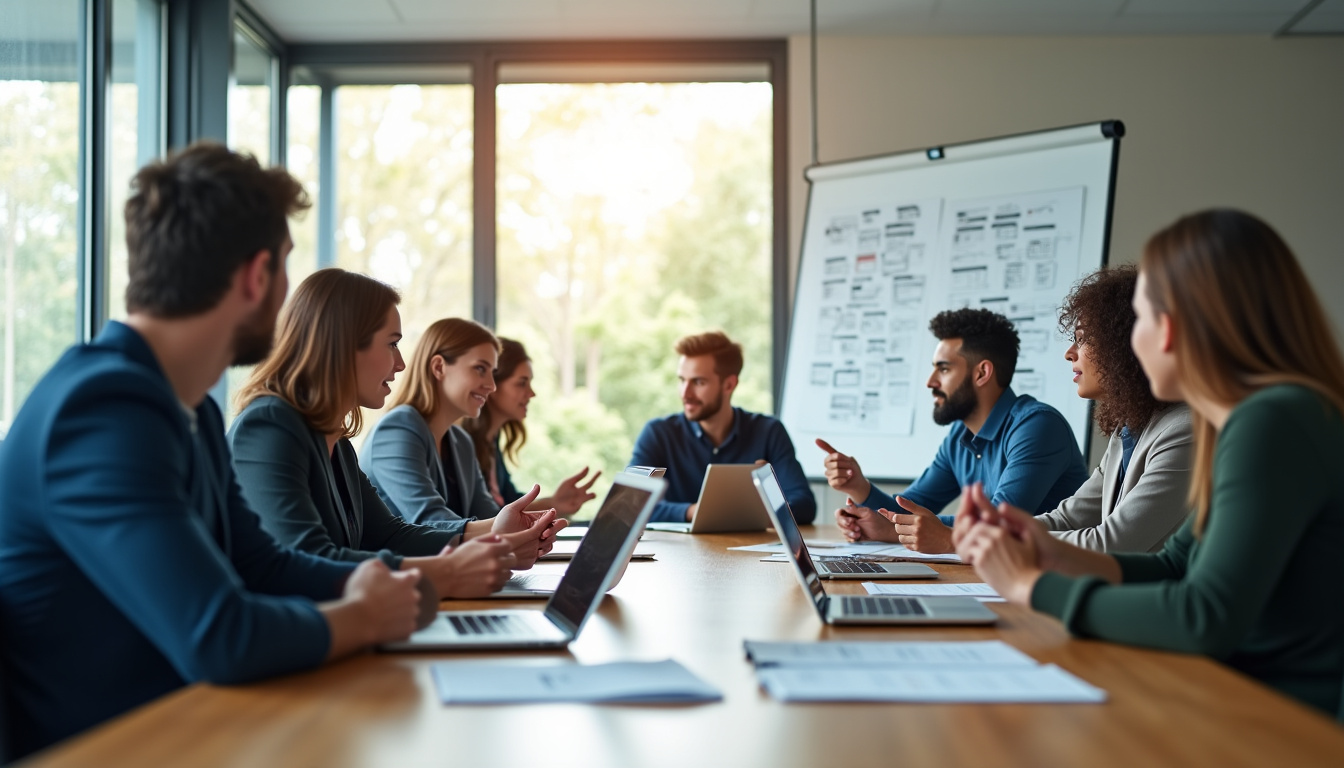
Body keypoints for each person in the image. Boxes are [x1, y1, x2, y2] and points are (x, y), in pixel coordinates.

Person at [0, 143, 424, 758]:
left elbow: (261, 566)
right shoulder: (102, 410)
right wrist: (362, 616)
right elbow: (219, 635)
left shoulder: (187, 404)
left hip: (190, 727)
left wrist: (377, 579)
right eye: (283, 271)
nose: (286, 297)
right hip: (120, 747)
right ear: (257, 277)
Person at [956, 209, 1344, 717]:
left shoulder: (1272, 421)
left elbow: (1203, 616)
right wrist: (1044, 552)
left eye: (1141, 319)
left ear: (1169, 329)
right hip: (1236, 701)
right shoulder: (1244, 421)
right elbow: (1174, 566)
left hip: (1277, 721)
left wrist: (1032, 587)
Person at [229, 270, 563, 600]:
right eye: (392, 344)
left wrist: (493, 530)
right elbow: (309, 560)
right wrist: (450, 572)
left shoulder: (336, 442)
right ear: (343, 344)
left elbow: (388, 535)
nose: (401, 363)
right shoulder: (270, 426)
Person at [820, 308, 1089, 553]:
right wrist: (859, 488)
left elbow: (998, 520)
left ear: (982, 373)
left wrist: (893, 529)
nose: (930, 382)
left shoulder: (1037, 426)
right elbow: (908, 507)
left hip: (1051, 579)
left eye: (944, 369)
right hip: (995, 573)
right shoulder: (959, 437)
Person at [1034, 265, 1193, 552]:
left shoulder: (1184, 430)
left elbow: (1111, 544)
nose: (1069, 352)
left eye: (1082, 339)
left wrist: (1000, 541)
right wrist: (980, 534)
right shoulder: (1129, 429)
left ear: (1121, 345)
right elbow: (1067, 518)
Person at [629, 331, 816, 524]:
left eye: (698, 382)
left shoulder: (769, 431)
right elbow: (629, 504)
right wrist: (693, 511)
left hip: (746, 552)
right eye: (682, 380)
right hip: (676, 553)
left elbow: (805, 505)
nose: (685, 393)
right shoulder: (658, 434)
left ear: (729, 384)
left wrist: (767, 500)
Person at [458, 336, 601, 514]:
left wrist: (555, 502)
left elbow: (507, 503)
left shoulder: (490, 440)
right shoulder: (462, 444)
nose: (531, 393)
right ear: (492, 385)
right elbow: (487, 518)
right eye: (522, 383)